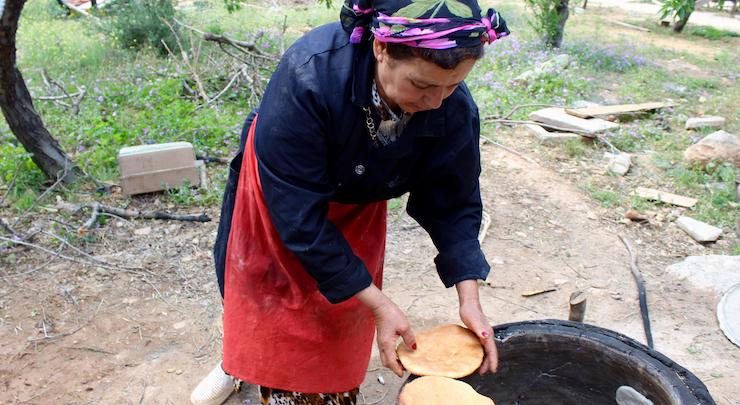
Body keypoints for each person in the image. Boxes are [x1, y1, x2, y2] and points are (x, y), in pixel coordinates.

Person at [191, 0, 509, 403]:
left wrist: (469, 299)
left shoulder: (452, 106)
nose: (436, 102)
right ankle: (237, 361)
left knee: (341, 304)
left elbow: (454, 201)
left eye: (451, 85)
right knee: (265, 292)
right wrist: (379, 302)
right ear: (381, 48)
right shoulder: (309, 75)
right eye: (422, 85)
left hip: (358, 194)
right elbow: (299, 219)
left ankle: (310, 376)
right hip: (286, 190)